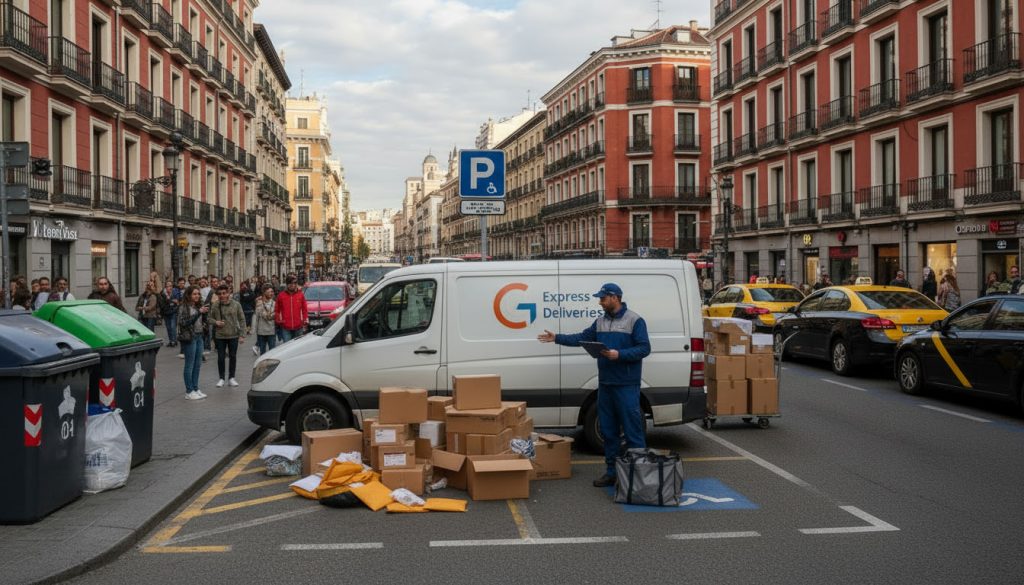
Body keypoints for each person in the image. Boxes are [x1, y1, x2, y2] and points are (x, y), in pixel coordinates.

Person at [537, 283, 650, 488]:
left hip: (626, 385)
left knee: (632, 431)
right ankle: (612, 472)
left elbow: (644, 348)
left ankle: (640, 477)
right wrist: (557, 338)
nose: (600, 302)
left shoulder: (634, 320)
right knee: (608, 431)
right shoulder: (600, 321)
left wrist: (619, 354)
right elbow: (582, 338)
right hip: (605, 385)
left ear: (614, 297)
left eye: (603, 298)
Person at [177, 286, 209, 400]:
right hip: (189, 337)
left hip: (199, 336)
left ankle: (195, 388)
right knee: (189, 365)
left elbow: (202, 320)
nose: (197, 296)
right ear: (189, 295)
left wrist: (204, 318)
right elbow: (183, 322)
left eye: (198, 294)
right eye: (194, 294)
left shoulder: (198, 305)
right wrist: (198, 313)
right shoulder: (183, 307)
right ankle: (189, 391)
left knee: (197, 364)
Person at [210, 284, 246, 388]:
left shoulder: (236, 304)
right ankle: (221, 378)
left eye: (224, 293)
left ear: (228, 293)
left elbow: (242, 319)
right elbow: (209, 318)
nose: (222, 295)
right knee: (221, 357)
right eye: (220, 294)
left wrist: (242, 335)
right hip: (220, 336)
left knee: (233, 356)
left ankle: (231, 378)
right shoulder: (215, 305)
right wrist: (216, 322)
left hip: (233, 334)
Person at [274, 276, 308, 342]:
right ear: (287, 284)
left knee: (298, 346)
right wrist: (279, 320)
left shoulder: (300, 295)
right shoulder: (281, 295)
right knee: (287, 346)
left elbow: (304, 309)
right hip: (286, 327)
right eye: (290, 283)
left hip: (298, 327)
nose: (293, 285)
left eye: (294, 283)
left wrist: (305, 320)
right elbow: (277, 310)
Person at [253, 284, 277, 356]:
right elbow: (261, 315)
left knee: (272, 353)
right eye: (269, 292)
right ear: (264, 293)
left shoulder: (275, 303)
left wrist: (271, 315)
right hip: (261, 331)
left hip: (271, 331)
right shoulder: (259, 303)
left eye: (272, 291)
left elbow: (276, 314)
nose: (271, 293)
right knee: (262, 353)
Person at [159, 281, 181, 347]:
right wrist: (171, 300)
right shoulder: (163, 293)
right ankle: (171, 341)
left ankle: (174, 341)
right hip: (166, 312)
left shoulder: (175, 292)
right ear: (165, 286)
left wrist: (171, 300)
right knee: (168, 327)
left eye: (170, 286)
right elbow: (161, 302)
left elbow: (177, 301)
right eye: (168, 286)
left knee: (173, 327)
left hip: (173, 311)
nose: (169, 287)